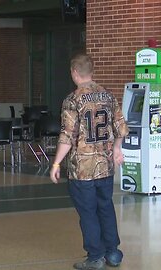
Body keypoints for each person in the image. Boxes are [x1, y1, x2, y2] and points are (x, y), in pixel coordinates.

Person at [50, 53, 129, 270]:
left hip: (82, 170)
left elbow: (67, 135)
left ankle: (95, 256)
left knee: (88, 212)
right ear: (91, 71)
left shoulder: (72, 100)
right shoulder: (108, 96)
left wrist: (56, 163)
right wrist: (116, 149)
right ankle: (113, 253)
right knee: (105, 207)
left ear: (75, 73)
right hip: (105, 166)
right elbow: (121, 128)